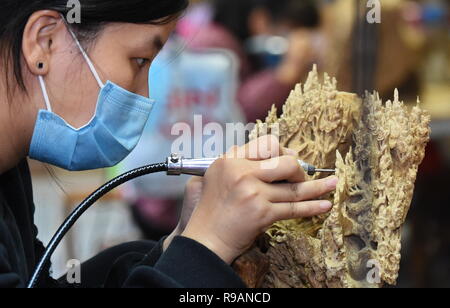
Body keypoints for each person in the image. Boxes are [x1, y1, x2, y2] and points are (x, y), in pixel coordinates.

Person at [0, 0, 337, 288]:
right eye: (140, 60)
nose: (144, 96)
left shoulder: (9, 173)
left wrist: (179, 243)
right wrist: (206, 245)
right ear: (44, 42)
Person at [185, 0, 322, 123]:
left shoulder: (227, 40)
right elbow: (238, 113)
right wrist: (289, 70)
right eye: (288, 30)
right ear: (259, 18)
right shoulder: (213, 45)